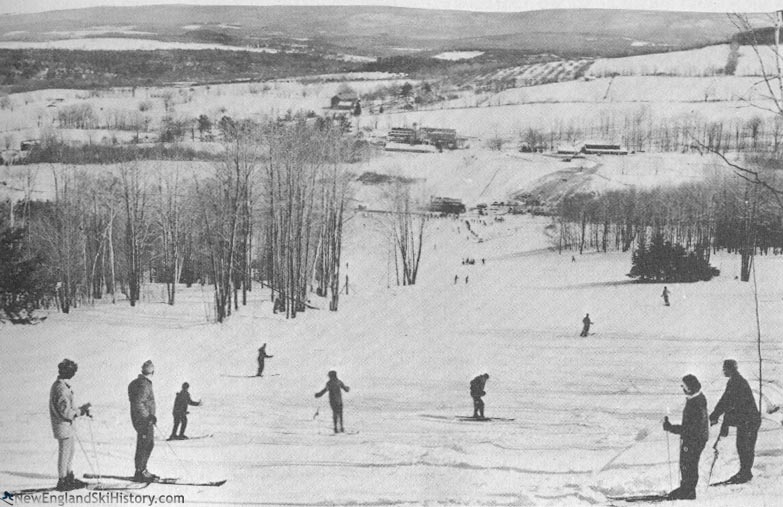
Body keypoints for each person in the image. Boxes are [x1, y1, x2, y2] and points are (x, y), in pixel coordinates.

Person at [709, 359, 761, 484]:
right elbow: (726, 401)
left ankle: (745, 473)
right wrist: (717, 416)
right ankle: (745, 472)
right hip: (747, 420)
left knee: (745, 446)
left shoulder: (737, 382)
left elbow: (727, 402)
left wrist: (716, 416)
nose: (723, 371)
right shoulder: (734, 381)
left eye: (725, 369)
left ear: (730, 369)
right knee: (743, 446)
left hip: (749, 421)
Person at [663, 374, 709, 500]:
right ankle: (686, 488)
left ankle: (688, 491)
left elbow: (690, 428)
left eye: (684, 386)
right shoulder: (695, 398)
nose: (682, 388)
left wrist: (671, 428)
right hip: (695, 437)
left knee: (689, 463)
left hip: (695, 439)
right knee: (687, 463)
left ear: (690, 388)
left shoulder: (696, 403)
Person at [49, 359, 91, 491]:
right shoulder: (61, 389)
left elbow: (67, 408)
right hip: (63, 425)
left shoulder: (61, 386)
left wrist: (80, 410)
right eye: (72, 371)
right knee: (65, 453)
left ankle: (67, 477)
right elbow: (65, 412)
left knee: (69, 452)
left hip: (66, 426)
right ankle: (62, 480)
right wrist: (80, 411)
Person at [128, 360, 158, 482]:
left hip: (140, 419)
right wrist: (148, 416)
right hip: (144, 420)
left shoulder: (136, 383)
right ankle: (140, 471)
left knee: (146, 444)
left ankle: (141, 469)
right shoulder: (145, 385)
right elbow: (139, 402)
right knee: (146, 444)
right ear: (153, 372)